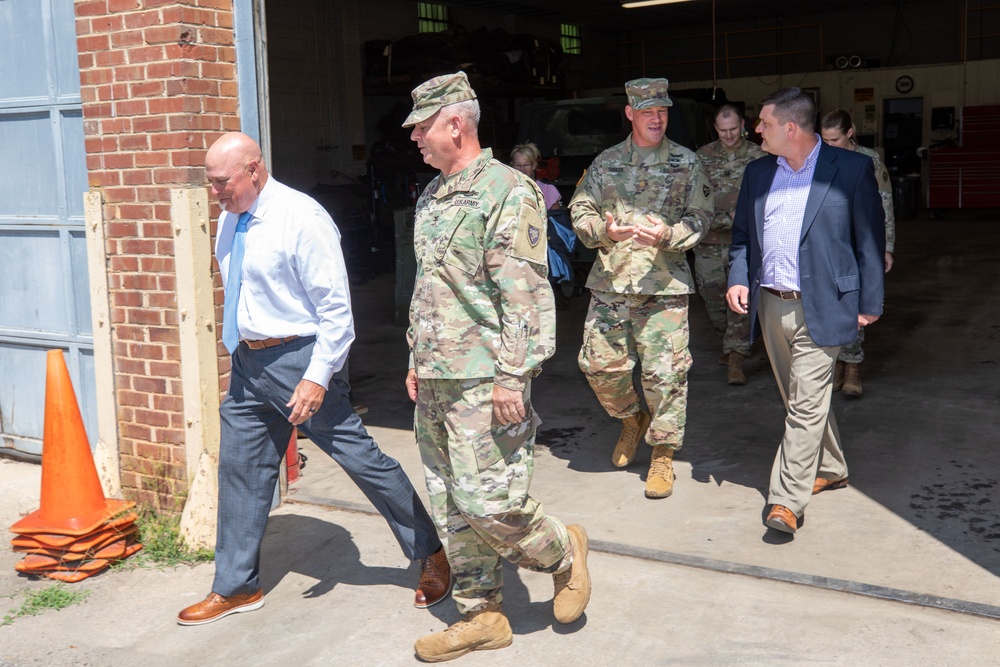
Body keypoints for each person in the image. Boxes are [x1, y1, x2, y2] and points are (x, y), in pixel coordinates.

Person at [177, 132, 450, 626]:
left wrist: (317, 377)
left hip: (300, 360)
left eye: (222, 182)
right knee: (239, 471)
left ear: (254, 169)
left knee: (359, 456)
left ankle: (430, 551)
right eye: (211, 182)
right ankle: (237, 587)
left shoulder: (302, 219)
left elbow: (336, 312)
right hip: (248, 364)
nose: (215, 192)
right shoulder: (229, 217)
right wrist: (239, 348)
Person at [402, 72, 591, 662]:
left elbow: (526, 295)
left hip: (486, 379)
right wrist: (415, 357)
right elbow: (430, 287)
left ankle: (562, 550)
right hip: (436, 376)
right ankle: (481, 615)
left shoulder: (509, 191)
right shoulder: (432, 196)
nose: (414, 139)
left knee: (490, 503)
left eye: (422, 128)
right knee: (451, 503)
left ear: (454, 124)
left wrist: (514, 375)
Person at [726, 88, 885, 534]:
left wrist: (870, 301)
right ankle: (831, 468)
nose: (756, 129)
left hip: (826, 302)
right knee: (802, 401)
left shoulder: (851, 169)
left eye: (763, 123)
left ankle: (786, 501)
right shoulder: (758, 172)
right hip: (771, 303)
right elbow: (742, 235)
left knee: (803, 406)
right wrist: (739, 277)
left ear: (790, 128)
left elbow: (869, 238)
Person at [569, 77, 712, 499]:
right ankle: (633, 420)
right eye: (647, 111)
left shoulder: (686, 163)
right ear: (630, 113)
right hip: (611, 284)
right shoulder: (606, 162)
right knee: (598, 367)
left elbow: (702, 218)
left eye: (662, 111)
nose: (656, 118)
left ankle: (663, 453)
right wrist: (603, 231)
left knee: (665, 376)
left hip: (664, 287)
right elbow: (580, 208)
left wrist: (670, 235)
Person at [820, 109, 896, 396]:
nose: (829, 145)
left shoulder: (869, 160)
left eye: (835, 139)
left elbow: (884, 205)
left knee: (855, 302)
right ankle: (835, 364)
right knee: (830, 302)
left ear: (850, 132)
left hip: (858, 241)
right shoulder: (818, 157)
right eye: (824, 139)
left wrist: (886, 247)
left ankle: (851, 366)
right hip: (829, 242)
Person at [695, 104, 766, 385]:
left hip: (745, 243)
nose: (728, 135)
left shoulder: (759, 155)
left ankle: (736, 356)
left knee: (741, 300)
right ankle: (729, 341)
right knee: (713, 302)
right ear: (715, 128)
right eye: (723, 130)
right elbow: (694, 198)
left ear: (743, 125)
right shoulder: (702, 157)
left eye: (733, 129)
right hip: (710, 242)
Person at [510, 142, 562, 210]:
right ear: (512, 166)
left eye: (526, 165)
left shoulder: (546, 191)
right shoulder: (507, 190)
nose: (522, 169)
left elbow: (556, 217)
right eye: (518, 165)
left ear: (533, 165)